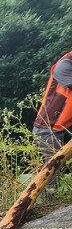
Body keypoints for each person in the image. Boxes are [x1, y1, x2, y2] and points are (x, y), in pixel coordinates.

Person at [33, 51, 72, 190]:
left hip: (66, 126)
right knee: (52, 173)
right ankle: (48, 206)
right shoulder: (65, 65)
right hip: (48, 128)